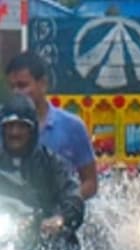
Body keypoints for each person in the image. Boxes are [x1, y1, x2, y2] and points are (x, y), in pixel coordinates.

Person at [0, 94, 85, 250]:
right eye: (9, 126)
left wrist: (61, 218)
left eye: (21, 126)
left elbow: (73, 195)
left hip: (46, 242)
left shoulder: (52, 163)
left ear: (32, 130)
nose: (15, 132)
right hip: (6, 240)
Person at [5, 51, 98, 201]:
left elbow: (90, 182)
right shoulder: (4, 126)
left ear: (42, 84)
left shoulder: (72, 126)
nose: (17, 92)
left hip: (58, 215)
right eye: (12, 87)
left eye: (22, 86)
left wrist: (67, 203)